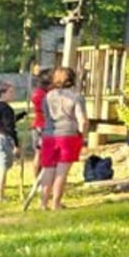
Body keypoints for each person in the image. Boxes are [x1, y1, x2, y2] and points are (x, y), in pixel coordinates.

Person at [40, 67, 88, 210]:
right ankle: (56, 203)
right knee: (62, 171)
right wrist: (83, 135)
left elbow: (45, 115)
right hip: (68, 135)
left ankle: (43, 203)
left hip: (49, 135)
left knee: (48, 169)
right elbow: (83, 120)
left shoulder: (47, 96)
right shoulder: (76, 97)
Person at [0, 81, 25, 204]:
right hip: (2, 139)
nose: (13, 95)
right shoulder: (7, 108)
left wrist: (21, 115)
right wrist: (16, 145)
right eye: (11, 92)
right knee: (2, 169)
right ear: (3, 93)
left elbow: (5, 122)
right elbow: (10, 128)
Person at [30, 68, 52, 181]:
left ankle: (43, 178)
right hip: (41, 126)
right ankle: (37, 178)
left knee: (43, 154)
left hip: (44, 126)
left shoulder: (43, 93)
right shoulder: (40, 94)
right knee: (39, 153)